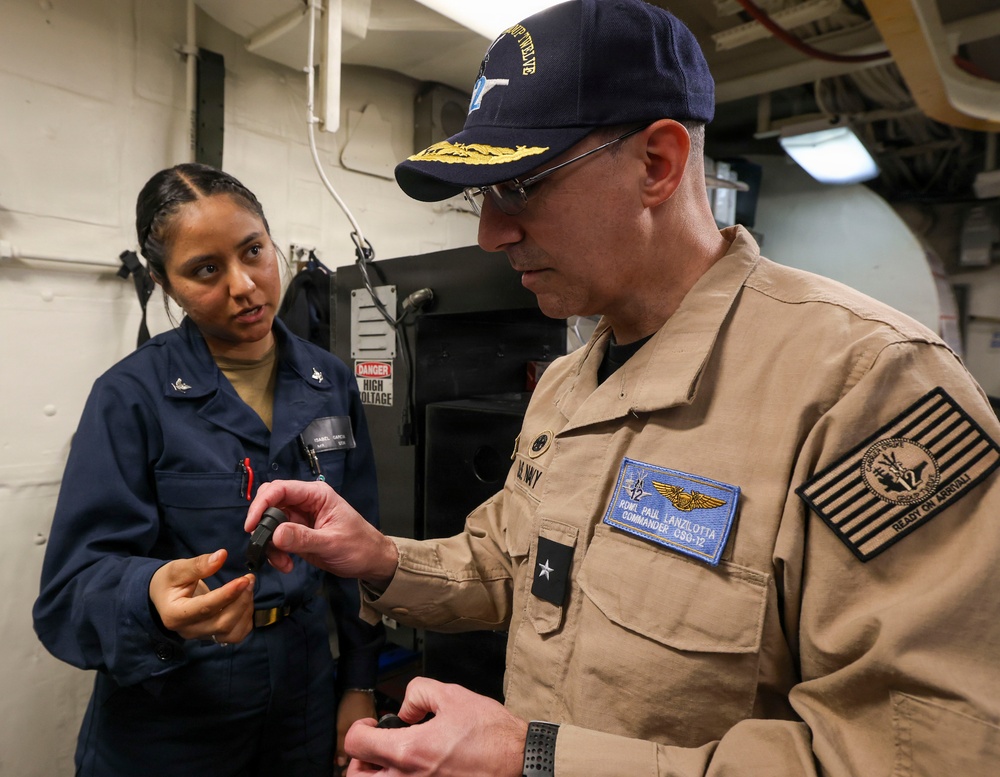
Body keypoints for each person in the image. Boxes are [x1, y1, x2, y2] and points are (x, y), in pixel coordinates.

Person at [247, 1, 1000, 775]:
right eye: (484, 196)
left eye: (522, 186)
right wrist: (377, 557)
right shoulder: (569, 385)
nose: (491, 235)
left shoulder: (869, 390)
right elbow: (513, 565)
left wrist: (530, 757)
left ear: (657, 164)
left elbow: (914, 757)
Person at [33, 163, 384, 777]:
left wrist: (358, 683)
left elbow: (361, 549)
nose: (245, 285)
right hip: (174, 709)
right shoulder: (130, 397)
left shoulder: (329, 382)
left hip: (303, 687)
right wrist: (149, 597)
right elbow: (69, 592)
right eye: (205, 270)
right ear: (164, 284)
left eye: (254, 251)